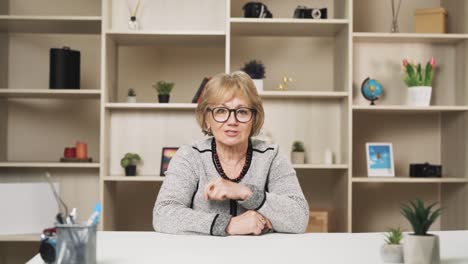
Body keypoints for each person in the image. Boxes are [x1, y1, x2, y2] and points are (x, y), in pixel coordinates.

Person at [153, 71, 309, 236]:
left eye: (242, 111)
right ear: (207, 118)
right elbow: (163, 213)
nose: (232, 121)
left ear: (254, 118)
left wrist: (245, 192)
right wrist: (228, 224)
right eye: (221, 111)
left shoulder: (272, 156)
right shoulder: (190, 155)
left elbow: (299, 218)